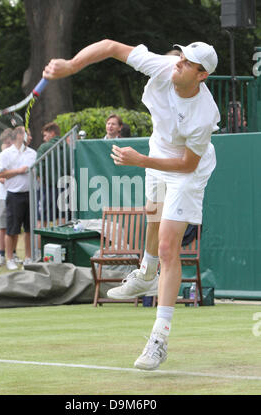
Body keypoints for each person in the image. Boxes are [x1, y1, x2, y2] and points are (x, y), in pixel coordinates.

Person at [43, 39, 220, 371]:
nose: (180, 62)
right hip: (157, 156)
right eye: (181, 56)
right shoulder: (164, 68)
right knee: (153, 217)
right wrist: (70, 65)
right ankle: (147, 272)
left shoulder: (204, 114)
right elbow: (110, 46)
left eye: (189, 62)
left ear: (202, 75)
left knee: (169, 246)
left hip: (186, 171)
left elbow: (187, 165)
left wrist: (140, 161)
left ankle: (159, 339)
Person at [0, 126, 36, 270]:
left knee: (30, 229)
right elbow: (0, 174)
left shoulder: (33, 153)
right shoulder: (6, 154)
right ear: (19, 135)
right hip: (13, 195)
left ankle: (28, 258)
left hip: (30, 194)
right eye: (27, 134)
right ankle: (10, 258)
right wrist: (18, 171)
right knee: (12, 229)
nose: (30, 137)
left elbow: (37, 173)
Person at [0, 128, 21, 267]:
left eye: (8, 142)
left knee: (14, 227)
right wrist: (0, 179)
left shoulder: (20, 155)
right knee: (3, 227)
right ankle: (1, 255)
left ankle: (13, 254)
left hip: (16, 195)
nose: (6, 145)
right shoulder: (3, 155)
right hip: (2, 197)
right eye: (4, 142)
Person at [36, 122, 69, 228]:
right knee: (63, 219)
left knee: (41, 220)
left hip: (48, 188)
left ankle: (38, 245)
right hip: (65, 188)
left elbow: (38, 169)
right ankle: (63, 244)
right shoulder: (67, 147)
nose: (44, 139)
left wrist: (41, 182)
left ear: (52, 133)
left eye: (45, 135)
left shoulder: (44, 147)